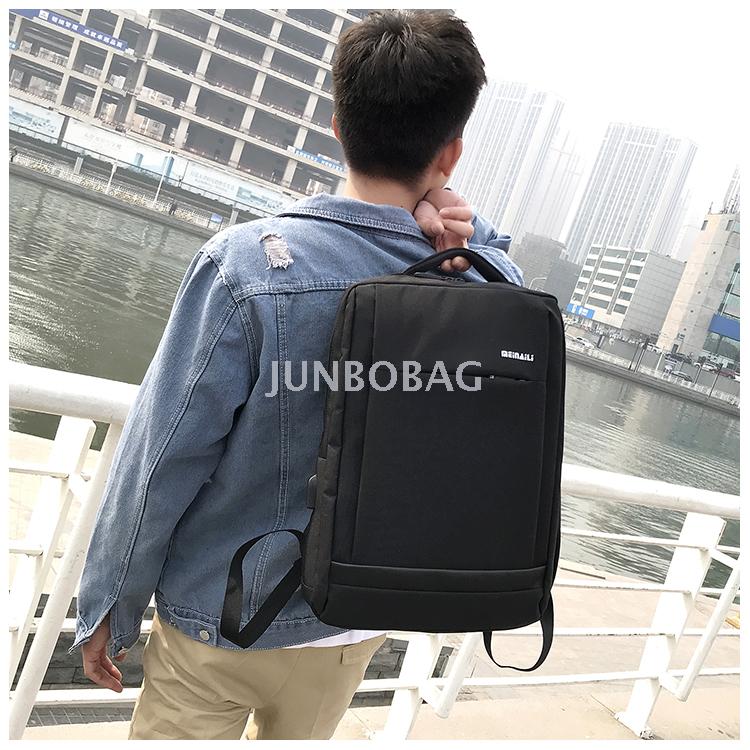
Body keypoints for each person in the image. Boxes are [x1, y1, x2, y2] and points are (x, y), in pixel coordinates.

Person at [71, 10, 524, 741]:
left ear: (337, 125)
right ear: (452, 152)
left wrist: (109, 605)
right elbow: (509, 271)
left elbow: (162, 456)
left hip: (218, 619)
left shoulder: (246, 266)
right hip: (351, 624)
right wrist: (464, 223)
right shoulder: (479, 285)